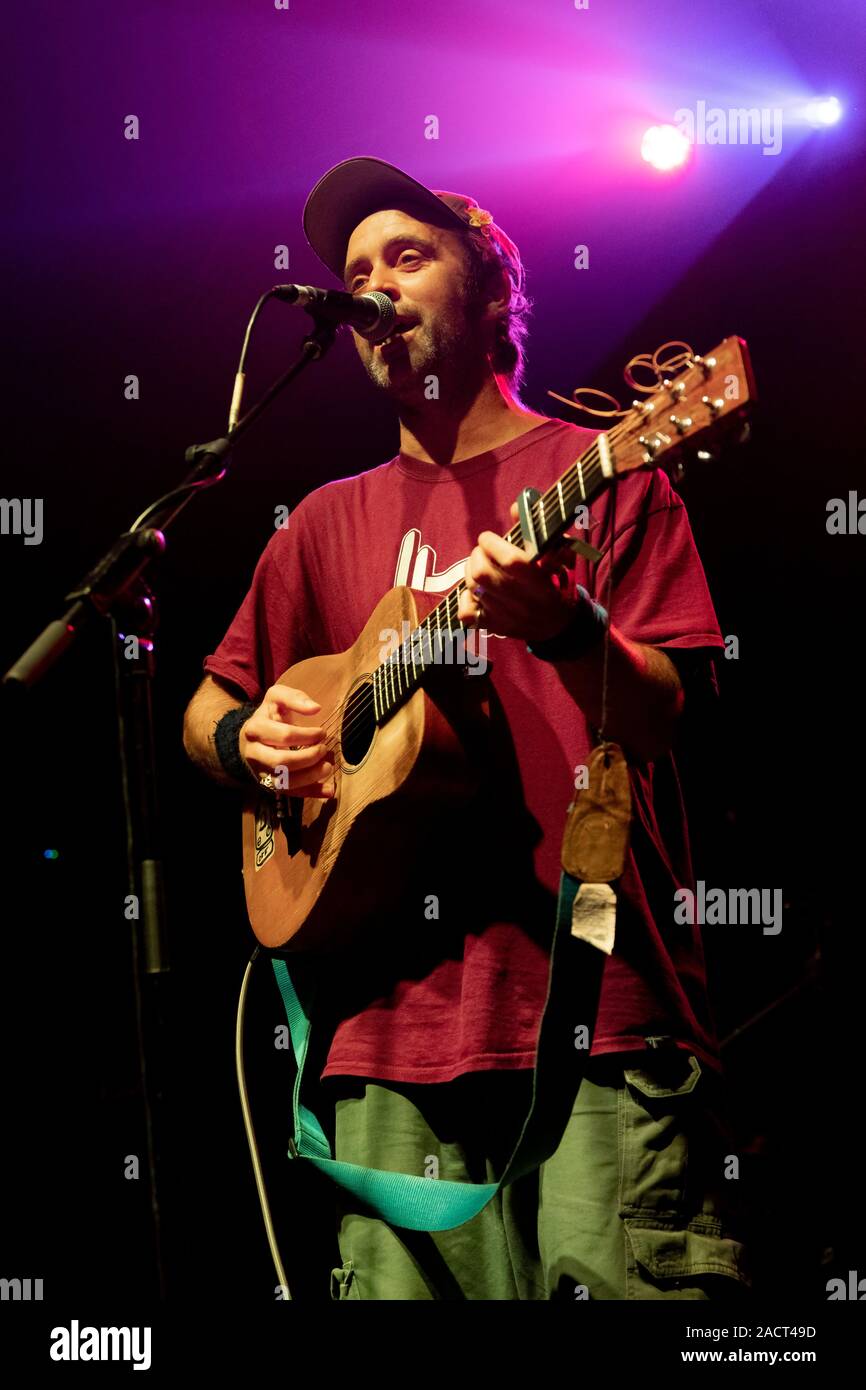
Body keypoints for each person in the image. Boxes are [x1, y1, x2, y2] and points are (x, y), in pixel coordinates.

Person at [182, 156, 751, 1301]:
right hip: (380, 1038)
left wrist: (565, 627)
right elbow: (205, 707)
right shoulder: (321, 524)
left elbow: (663, 718)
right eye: (356, 271)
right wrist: (246, 738)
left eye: (406, 256)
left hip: (593, 1010)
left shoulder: (605, 476)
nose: (372, 286)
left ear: (493, 293)